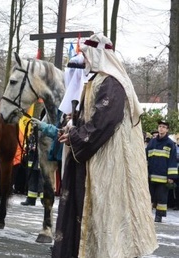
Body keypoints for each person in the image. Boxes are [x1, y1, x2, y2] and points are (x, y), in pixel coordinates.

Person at [53, 34, 157, 258]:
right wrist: (73, 124)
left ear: (98, 54)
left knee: (105, 215)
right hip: (91, 158)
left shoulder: (111, 82)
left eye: (88, 54)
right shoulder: (97, 80)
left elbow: (104, 122)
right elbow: (89, 116)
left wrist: (76, 137)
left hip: (106, 162)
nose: (85, 59)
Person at [146, 120, 177, 222]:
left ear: (167, 130)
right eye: (160, 126)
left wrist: (171, 177)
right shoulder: (152, 142)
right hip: (151, 175)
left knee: (161, 198)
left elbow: (172, 161)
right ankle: (147, 215)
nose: (161, 128)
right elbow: (146, 157)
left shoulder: (170, 144)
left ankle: (159, 216)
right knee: (149, 197)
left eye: (164, 127)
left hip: (163, 177)